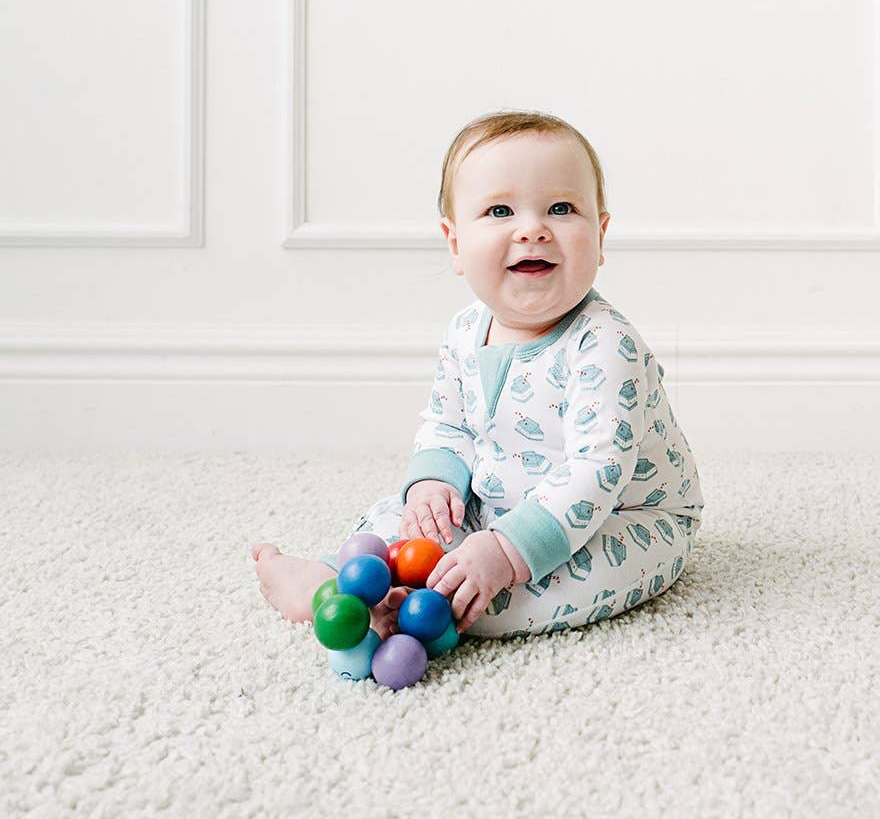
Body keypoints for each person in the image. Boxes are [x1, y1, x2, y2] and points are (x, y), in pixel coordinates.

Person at [252, 110, 705, 640]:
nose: (532, 228)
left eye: (561, 208)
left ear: (600, 236)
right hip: (496, 502)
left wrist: (504, 552)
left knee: (564, 581)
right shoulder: (466, 330)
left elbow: (597, 471)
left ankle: (430, 608)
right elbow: (446, 425)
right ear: (455, 244)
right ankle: (336, 580)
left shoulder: (605, 344)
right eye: (499, 210)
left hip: (625, 516)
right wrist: (432, 487)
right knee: (402, 521)